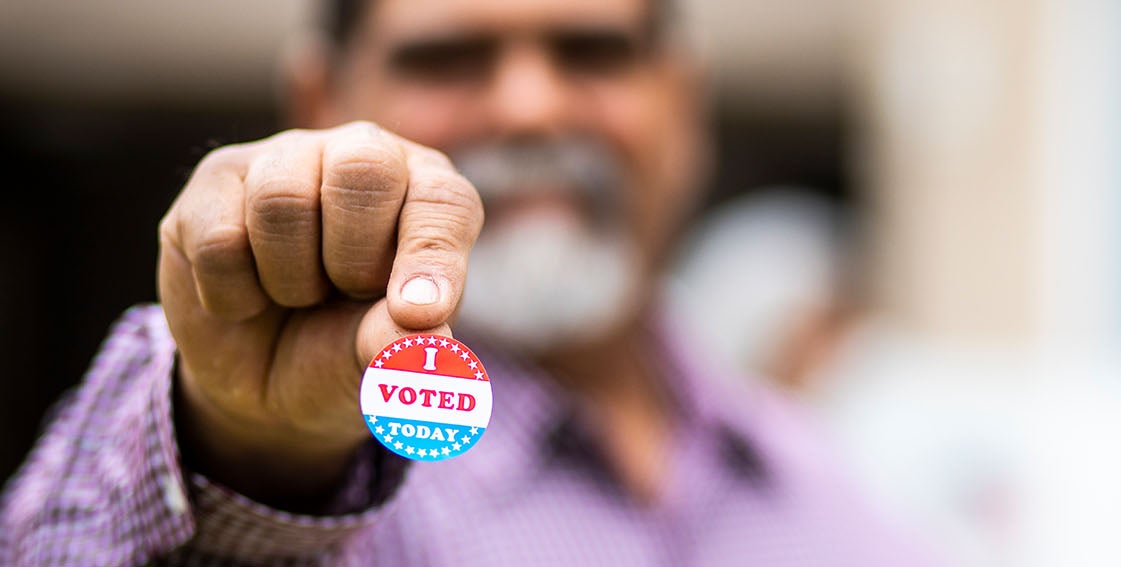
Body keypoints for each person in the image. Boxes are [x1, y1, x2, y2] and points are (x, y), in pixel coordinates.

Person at [0, 0, 939, 565]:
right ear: (321, 103)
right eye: (447, 57)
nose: (530, 106)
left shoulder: (822, 486)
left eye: (590, 53)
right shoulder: (284, 455)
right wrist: (245, 451)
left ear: (684, 106)